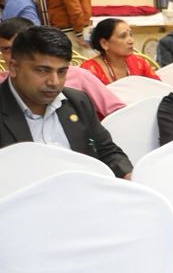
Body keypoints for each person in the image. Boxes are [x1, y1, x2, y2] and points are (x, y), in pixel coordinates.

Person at [0, 25, 131, 176]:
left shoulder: (77, 101)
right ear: (14, 67)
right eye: (42, 70)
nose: (54, 82)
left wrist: (127, 174)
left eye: (62, 72)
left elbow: (106, 150)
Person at [0, 17, 123, 118]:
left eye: (61, 72)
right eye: (6, 49)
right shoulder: (3, 84)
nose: (54, 82)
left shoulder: (79, 76)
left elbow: (118, 112)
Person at [81, 18, 160, 85]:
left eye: (131, 35)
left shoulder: (140, 63)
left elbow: (158, 88)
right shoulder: (89, 71)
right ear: (104, 43)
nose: (131, 41)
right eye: (123, 36)